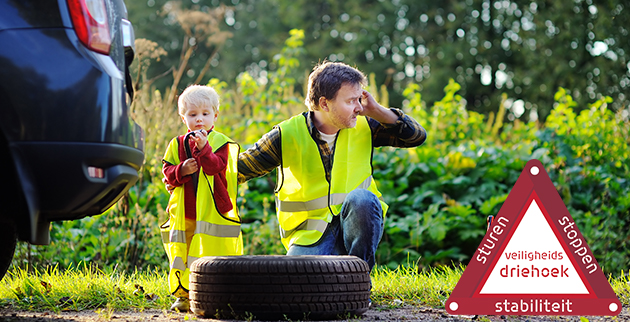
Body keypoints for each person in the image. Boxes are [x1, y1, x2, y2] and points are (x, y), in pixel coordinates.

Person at [237, 61, 427, 272]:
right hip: (310, 237)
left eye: (359, 99)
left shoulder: (364, 124)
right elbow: (240, 169)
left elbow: (416, 137)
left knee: (363, 198)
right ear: (324, 104)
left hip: (356, 224)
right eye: (350, 101)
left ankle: (360, 279)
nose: (358, 107)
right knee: (298, 282)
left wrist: (377, 110)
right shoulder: (286, 135)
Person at [161, 85, 242, 312]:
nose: (199, 120)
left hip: (212, 212)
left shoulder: (220, 142)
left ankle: (212, 293)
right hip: (184, 213)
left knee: (209, 254)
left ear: (215, 115)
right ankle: (183, 295)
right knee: (183, 254)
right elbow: (167, 173)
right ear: (183, 117)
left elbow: (215, 166)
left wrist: (204, 148)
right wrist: (181, 171)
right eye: (193, 114)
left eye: (205, 114)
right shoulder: (176, 144)